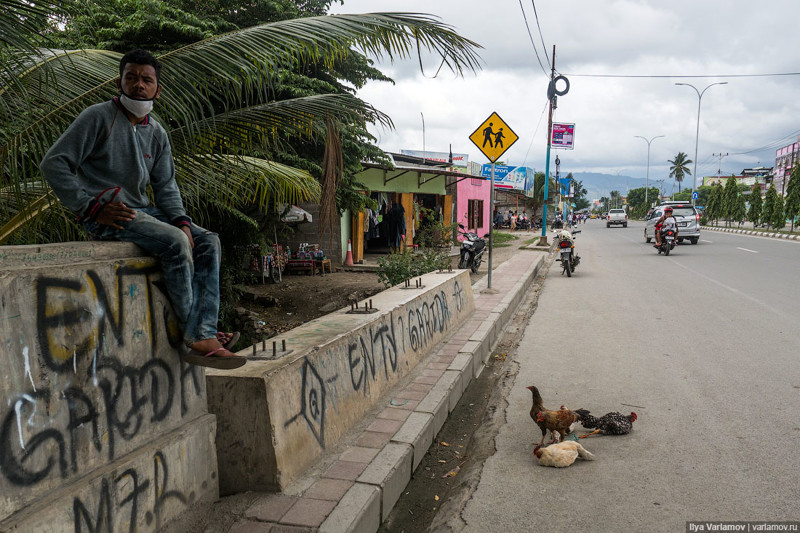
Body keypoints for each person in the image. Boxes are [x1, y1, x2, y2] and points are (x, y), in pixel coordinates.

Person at [40, 49, 245, 370]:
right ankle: (202, 337)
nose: (138, 85)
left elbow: (166, 186)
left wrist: (182, 221)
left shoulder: (157, 132)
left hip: (144, 212)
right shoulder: (98, 116)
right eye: (131, 77)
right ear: (119, 82)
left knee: (208, 241)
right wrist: (90, 208)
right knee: (175, 242)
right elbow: (54, 163)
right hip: (110, 216)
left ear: (157, 89)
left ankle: (202, 331)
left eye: (146, 80)